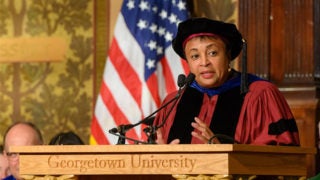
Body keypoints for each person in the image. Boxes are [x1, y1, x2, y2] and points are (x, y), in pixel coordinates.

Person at [153, 17, 300, 146]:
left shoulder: (261, 95)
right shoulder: (173, 103)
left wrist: (226, 153)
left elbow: (283, 155)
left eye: (213, 53)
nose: (204, 62)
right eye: (195, 56)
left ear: (228, 55)